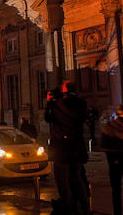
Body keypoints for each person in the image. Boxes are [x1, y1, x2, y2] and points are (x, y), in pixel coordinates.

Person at [44, 81, 90, 215]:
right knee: (76, 177)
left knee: (62, 180)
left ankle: (68, 207)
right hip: (76, 146)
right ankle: (84, 206)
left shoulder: (59, 105)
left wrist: (50, 102)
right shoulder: (82, 103)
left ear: (64, 91)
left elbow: (48, 118)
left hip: (62, 148)